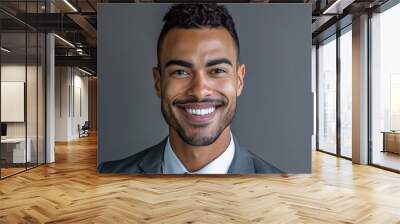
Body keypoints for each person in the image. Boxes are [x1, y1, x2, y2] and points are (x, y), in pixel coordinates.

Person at [98, 3, 282, 174]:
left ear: (239, 80)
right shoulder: (107, 175)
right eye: (180, 72)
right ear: (158, 82)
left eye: (217, 70)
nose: (200, 91)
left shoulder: (280, 188)